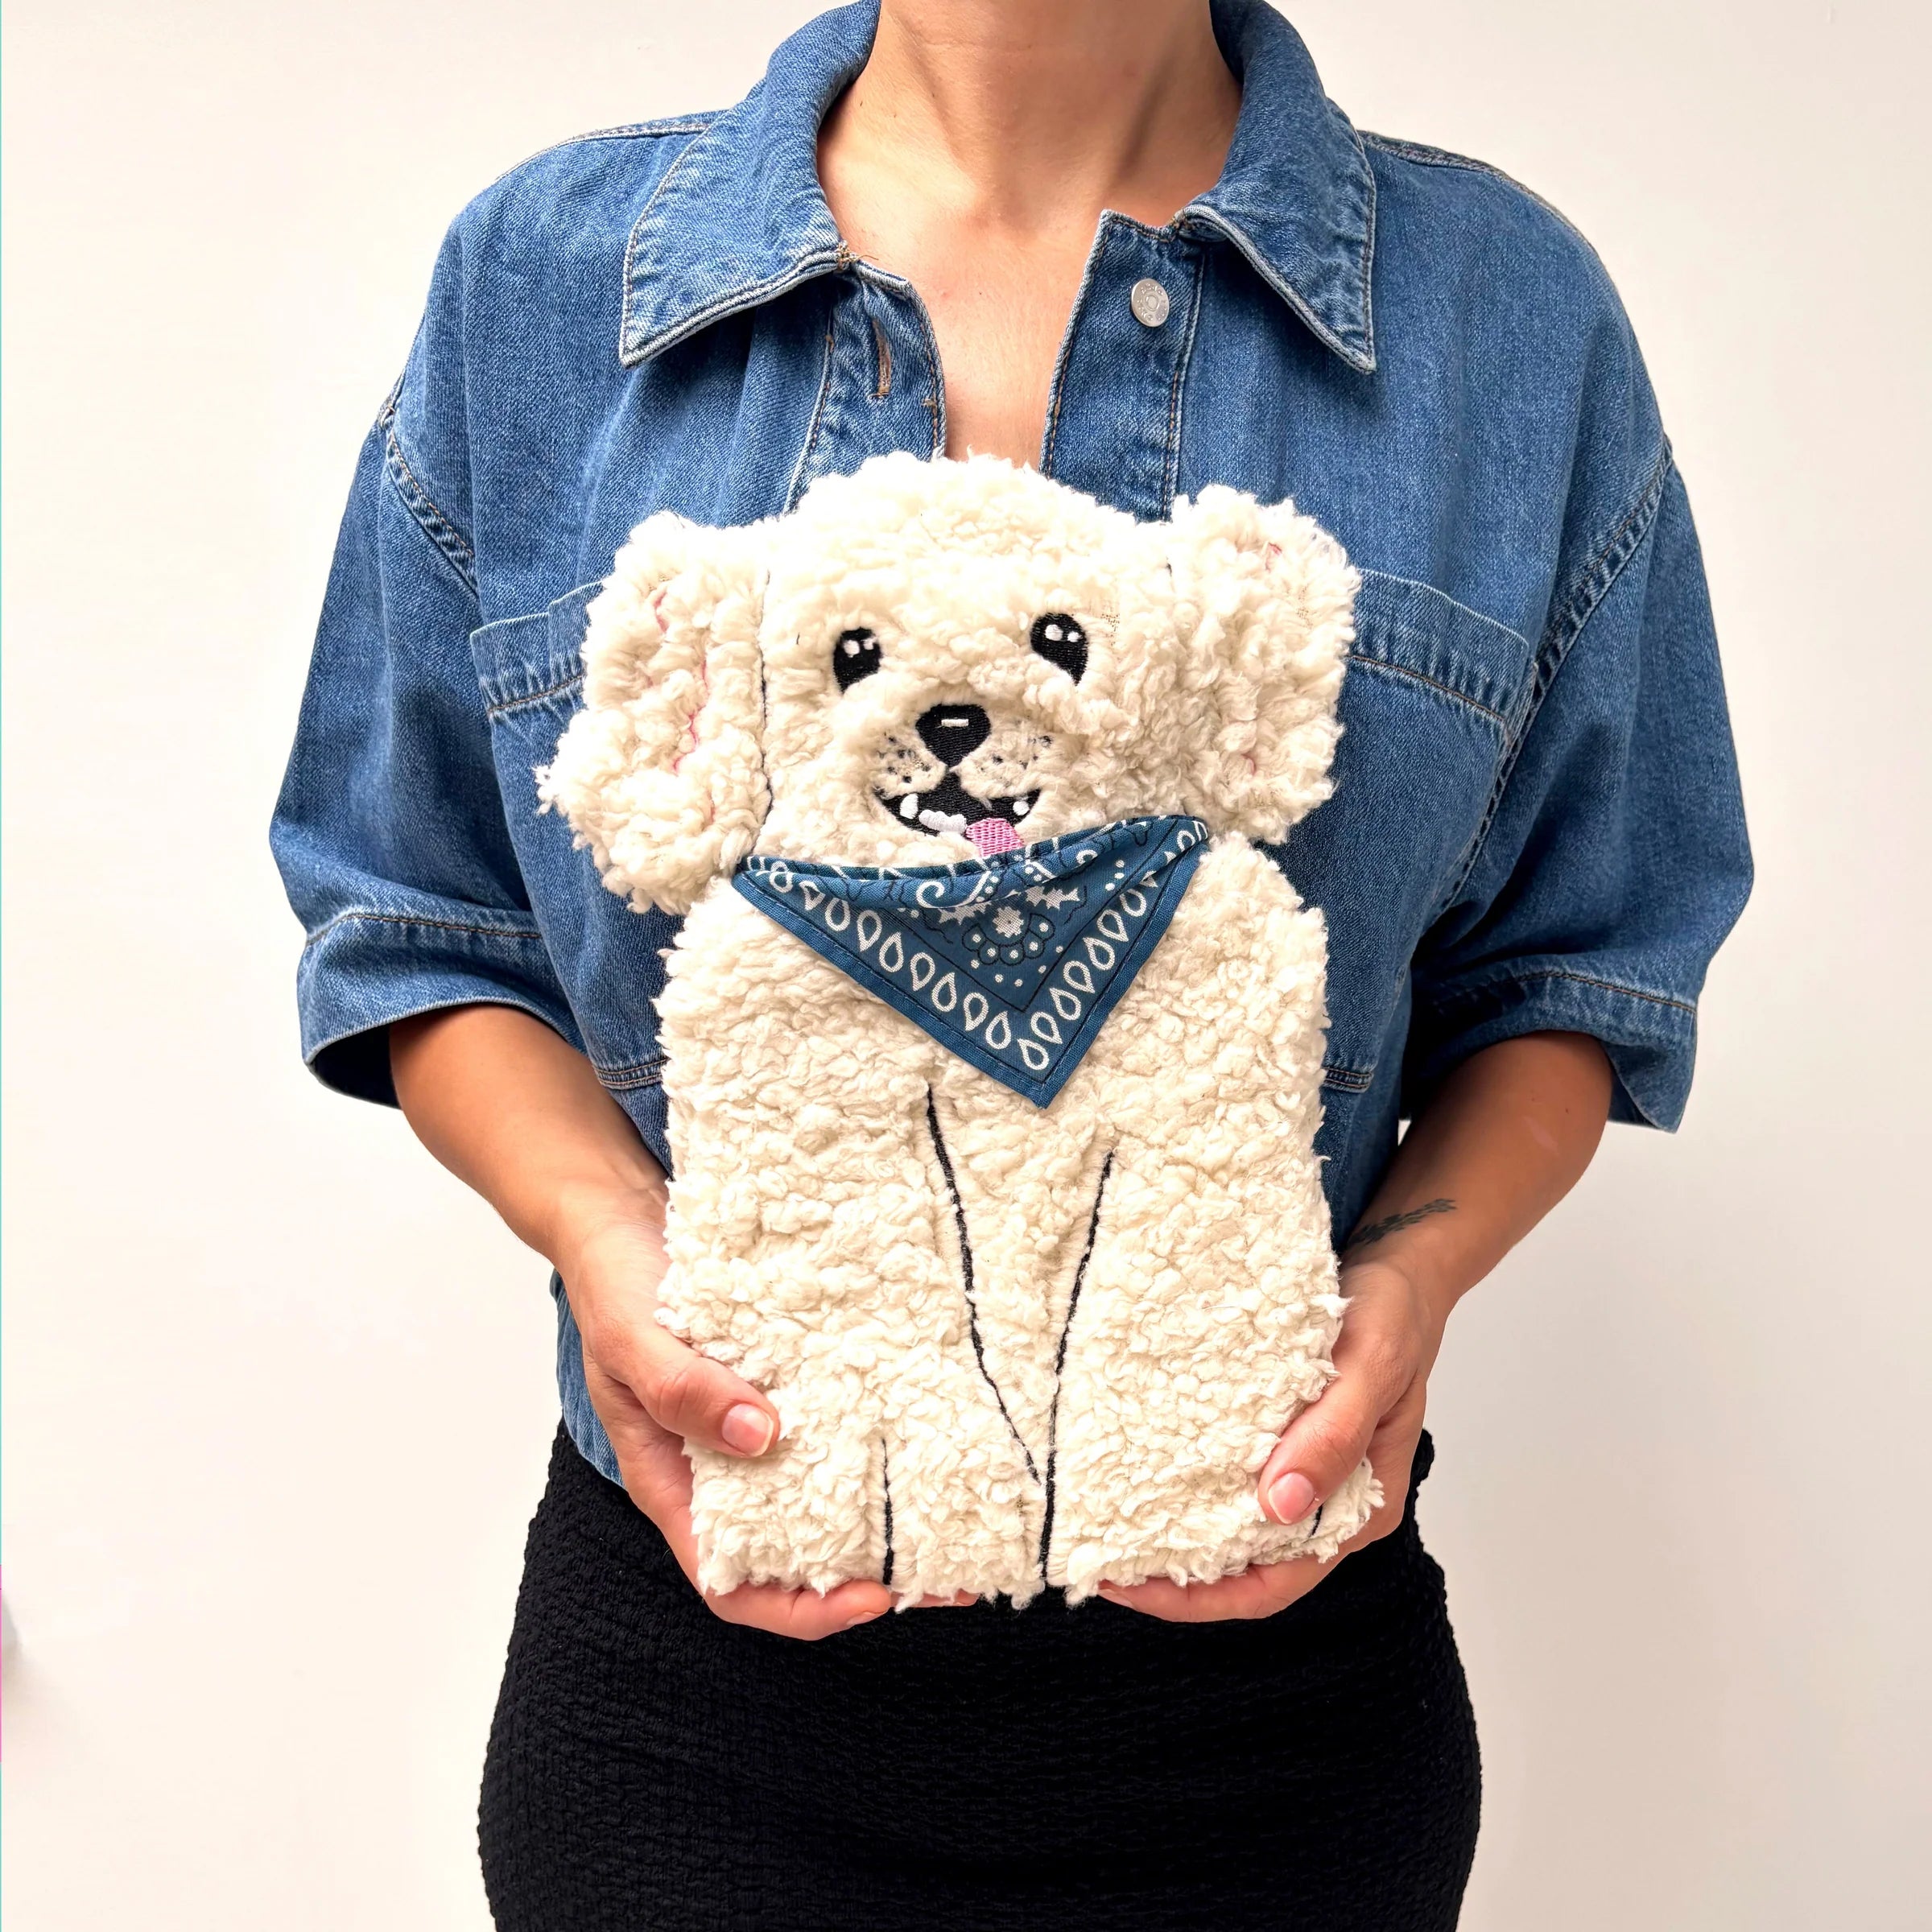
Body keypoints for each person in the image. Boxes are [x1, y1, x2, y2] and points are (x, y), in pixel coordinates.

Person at [270, 1, 1751, 1924]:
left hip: (1275, 1691)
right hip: (699, 1688)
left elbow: (1579, 961)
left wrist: (1411, 1272)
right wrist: (607, 1243)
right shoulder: (541, 287)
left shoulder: (1508, 320)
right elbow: (416, 914)